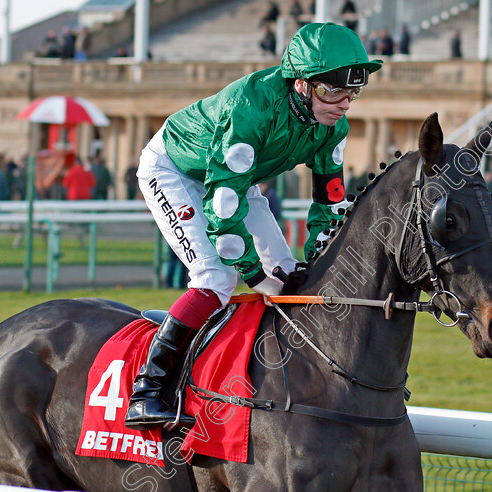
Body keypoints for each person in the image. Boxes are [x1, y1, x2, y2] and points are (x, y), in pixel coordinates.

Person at [125, 22, 382, 429]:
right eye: (332, 91)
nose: (343, 104)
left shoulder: (334, 125)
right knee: (216, 277)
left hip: (234, 180)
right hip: (175, 168)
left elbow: (329, 203)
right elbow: (222, 204)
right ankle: (147, 389)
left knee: (287, 269)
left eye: (352, 92)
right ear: (301, 83)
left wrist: (319, 260)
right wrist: (251, 274)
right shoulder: (252, 106)